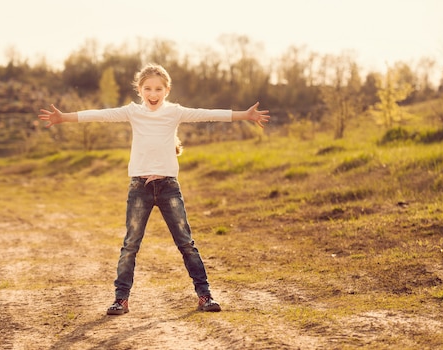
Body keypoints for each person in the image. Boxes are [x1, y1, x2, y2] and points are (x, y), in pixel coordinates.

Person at [38, 64, 269, 315]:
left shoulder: (175, 112)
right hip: (139, 187)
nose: (153, 93)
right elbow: (100, 114)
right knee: (130, 245)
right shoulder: (133, 112)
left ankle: (205, 296)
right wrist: (64, 117)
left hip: (169, 186)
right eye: (147, 88)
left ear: (167, 90)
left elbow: (207, 113)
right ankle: (120, 300)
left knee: (186, 244)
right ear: (140, 90)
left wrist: (244, 115)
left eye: (158, 88)